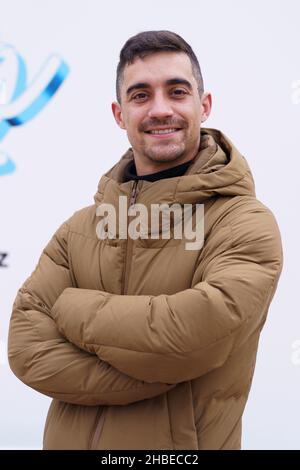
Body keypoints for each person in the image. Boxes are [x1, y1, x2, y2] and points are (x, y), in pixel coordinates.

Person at [7, 30, 283, 450]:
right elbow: (26, 346)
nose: (160, 109)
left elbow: (193, 337)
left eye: (176, 91)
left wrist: (71, 308)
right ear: (119, 114)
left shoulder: (243, 222)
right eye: (140, 95)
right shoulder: (80, 228)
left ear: (203, 105)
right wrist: (149, 369)